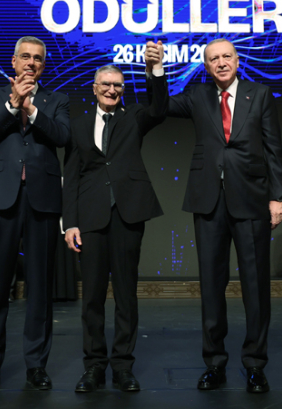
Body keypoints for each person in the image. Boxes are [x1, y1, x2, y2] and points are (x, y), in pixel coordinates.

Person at [160, 38, 282, 394]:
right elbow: (159, 107)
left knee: (255, 287)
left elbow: (273, 148)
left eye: (226, 56)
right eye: (213, 59)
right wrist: (156, 71)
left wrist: (278, 196)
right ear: (206, 66)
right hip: (208, 202)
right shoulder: (198, 96)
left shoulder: (259, 94)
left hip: (252, 199)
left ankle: (255, 364)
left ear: (237, 60)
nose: (220, 62)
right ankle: (214, 363)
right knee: (212, 286)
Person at [63, 44, 168, 393]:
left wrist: (155, 71)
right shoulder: (77, 126)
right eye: (105, 85)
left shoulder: (134, 116)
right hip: (90, 219)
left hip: (128, 214)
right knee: (92, 297)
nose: (111, 90)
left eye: (117, 85)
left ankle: (123, 366)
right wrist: (70, 222)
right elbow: (72, 178)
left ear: (123, 89)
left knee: (126, 295)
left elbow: (159, 109)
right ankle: (94, 366)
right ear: (94, 88)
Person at [0, 36, 70, 393]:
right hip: (0, 200)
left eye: (38, 58)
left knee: (40, 288)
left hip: (42, 200)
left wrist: (32, 110)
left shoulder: (56, 100)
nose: (31, 63)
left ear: (43, 65)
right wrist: (13, 105)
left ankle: (36, 365)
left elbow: (62, 136)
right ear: (13, 62)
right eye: (25, 57)